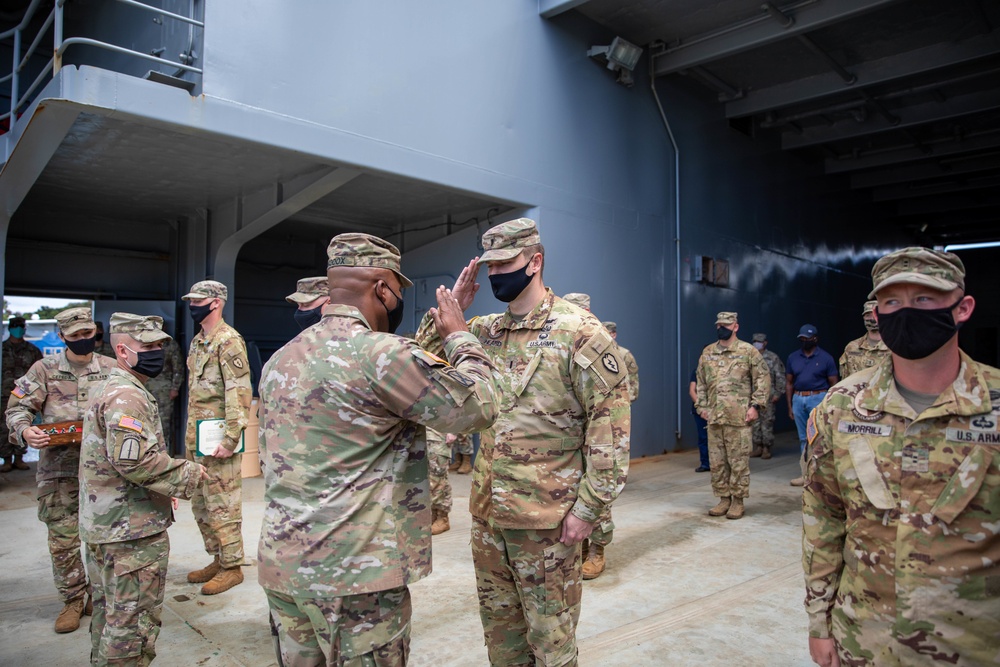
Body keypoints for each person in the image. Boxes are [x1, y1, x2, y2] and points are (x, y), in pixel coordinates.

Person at [257, 233, 498, 666]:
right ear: (382, 289)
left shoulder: (281, 359)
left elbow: (400, 374)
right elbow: (477, 406)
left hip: (285, 568)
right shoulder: (380, 354)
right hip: (354, 581)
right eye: (397, 290)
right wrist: (460, 336)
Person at [416, 218, 631, 666]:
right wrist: (447, 316)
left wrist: (589, 510)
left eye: (505, 264)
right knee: (503, 641)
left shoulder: (580, 333)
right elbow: (420, 366)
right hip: (490, 515)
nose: (495, 275)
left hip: (548, 522)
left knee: (551, 645)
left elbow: (609, 432)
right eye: (489, 266)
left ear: (535, 262)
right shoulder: (486, 330)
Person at [803, 247, 999, 667]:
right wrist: (820, 622)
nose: (905, 312)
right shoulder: (842, 406)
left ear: (962, 308)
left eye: (924, 299)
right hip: (865, 640)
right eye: (892, 301)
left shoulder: (995, 405)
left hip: (973, 645)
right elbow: (824, 516)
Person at [79, 313, 208, 667]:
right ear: (122, 350)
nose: (156, 352)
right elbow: (135, 462)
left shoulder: (115, 386)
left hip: (111, 523)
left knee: (110, 618)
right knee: (131, 628)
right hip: (129, 532)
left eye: (159, 345)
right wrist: (190, 476)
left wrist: (161, 492)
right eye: (147, 346)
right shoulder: (126, 396)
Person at [5, 307, 116, 633]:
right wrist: (25, 431)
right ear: (62, 336)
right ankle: (72, 599)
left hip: (102, 471)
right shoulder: (44, 369)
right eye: (76, 336)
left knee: (102, 538)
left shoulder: (111, 369)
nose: (84, 341)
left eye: (88, 334)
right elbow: (17, 409)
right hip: (58, 469)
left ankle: (99, 596)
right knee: (63, 539)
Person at [181, 280, 252, 595]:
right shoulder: (199, 341)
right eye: (191, 300)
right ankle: (218, 557)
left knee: (223, 504)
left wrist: (231, 437)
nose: (192, 305)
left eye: (198, 300)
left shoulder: (228, 340)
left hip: (219, 441)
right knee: (201, 503)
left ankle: (233, 566)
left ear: (216, 302)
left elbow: (238, 391)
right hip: (197, 439)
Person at [579, 320, 640, 580]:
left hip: (602, 428)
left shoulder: (618, 355)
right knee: (570, 490)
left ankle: (597, 550)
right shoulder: (570, 350)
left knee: (598, 489)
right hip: (572, 431)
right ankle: (578, 548)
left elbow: (628, 392)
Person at [696, 312, 770, 520]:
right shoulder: (708, 353)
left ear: (735, 326)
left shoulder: (748, 352)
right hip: (714, 418)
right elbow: (700, 382)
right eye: (719, 324)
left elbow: (763, 379)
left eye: (726, 325)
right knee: (718, 462)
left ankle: (738, 501)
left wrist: (755, 406)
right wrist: (701, 406)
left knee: (738, 462)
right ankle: (723, 499)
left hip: (739, 418)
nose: (722, 328)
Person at [786, 324, 838, 487]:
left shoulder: (826, 358)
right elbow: (789, 383)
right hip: (799, 399)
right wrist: (789, 406)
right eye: (802, 339)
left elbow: (834, 383)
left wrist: (831, 406)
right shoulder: (793, 357)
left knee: (818, 436)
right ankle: (805, 474)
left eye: (807, 339)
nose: (804, 341)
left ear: (815, 339)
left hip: (818, 398)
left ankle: (821, 474)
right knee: (803, 438)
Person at [1, 315, 42, 472]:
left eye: (21, 326)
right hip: (4, 394)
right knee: (3, 426)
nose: (18, 329)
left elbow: (40, 373)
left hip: (26, 395)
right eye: (15, 325)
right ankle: (6, 459)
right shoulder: (2, 349)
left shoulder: (32, 350)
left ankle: (19, 457)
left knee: (24, 424)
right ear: (10, 328)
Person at [144, 335, 185, 453]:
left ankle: (166, 454)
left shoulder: (170, 345)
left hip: (164, 390)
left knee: (163, 425)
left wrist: (175, 388)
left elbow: (178, 368)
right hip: (146, 387)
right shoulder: (144, 343)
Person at [750, 333, 785, 460]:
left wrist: (778, 393)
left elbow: (780, 376)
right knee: (755, 422)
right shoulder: (750, 356)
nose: (756, 343)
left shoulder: (772, 357)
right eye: (754, 341)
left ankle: (766, 448)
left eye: (759, 341)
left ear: (765, 343)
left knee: (767, 422)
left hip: (768, 396)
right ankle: (758, 446)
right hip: (753, 396)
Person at [838, 300, 889, 379]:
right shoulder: (852, 347)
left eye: (876, 314)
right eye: (868, 315)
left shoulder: (895, 347)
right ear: (864, 318)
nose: (872, 319)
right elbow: (845, 379)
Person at [427, 428, 454, 535]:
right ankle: (433, 514)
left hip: (438, 434)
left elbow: (459, 411)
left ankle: (442, 517)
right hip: (423, 432)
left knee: (438, 477)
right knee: (429, 478)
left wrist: (454, 430)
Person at [689, 368, 710, 472]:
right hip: (701, 410)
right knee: (703, 437)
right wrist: (701, 408)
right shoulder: (698, 370)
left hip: (716, 408)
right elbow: (692, 390)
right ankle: (705, 463)